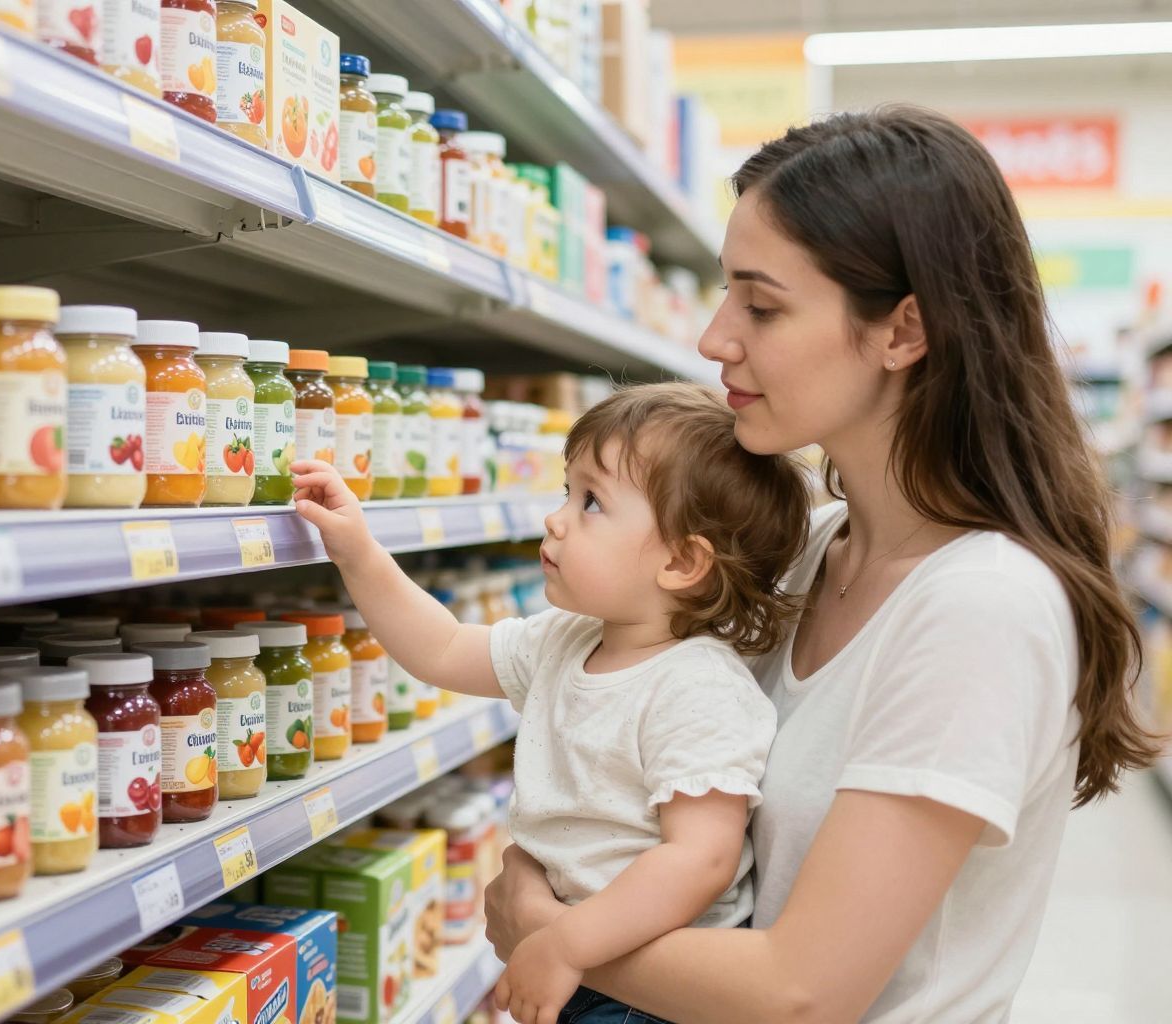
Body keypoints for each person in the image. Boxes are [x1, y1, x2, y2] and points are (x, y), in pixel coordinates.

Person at [483, 104, 1161, 1023]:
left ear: (903, 331)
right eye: (726, 294)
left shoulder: (980, 608)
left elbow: (803, 992)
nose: (716, 338)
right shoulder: (805, 551)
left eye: (761, 305)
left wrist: (543, 928)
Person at [289, 382, 811, 1024]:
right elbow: (443, 648)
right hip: (579, 961)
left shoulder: (698, 688)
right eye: (567, 490)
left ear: (680, 561)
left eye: (591, 501)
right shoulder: (565, 640)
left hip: (654, 993)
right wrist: (359, 552)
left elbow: (700, 859)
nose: (556, 517)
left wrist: (566, 943)